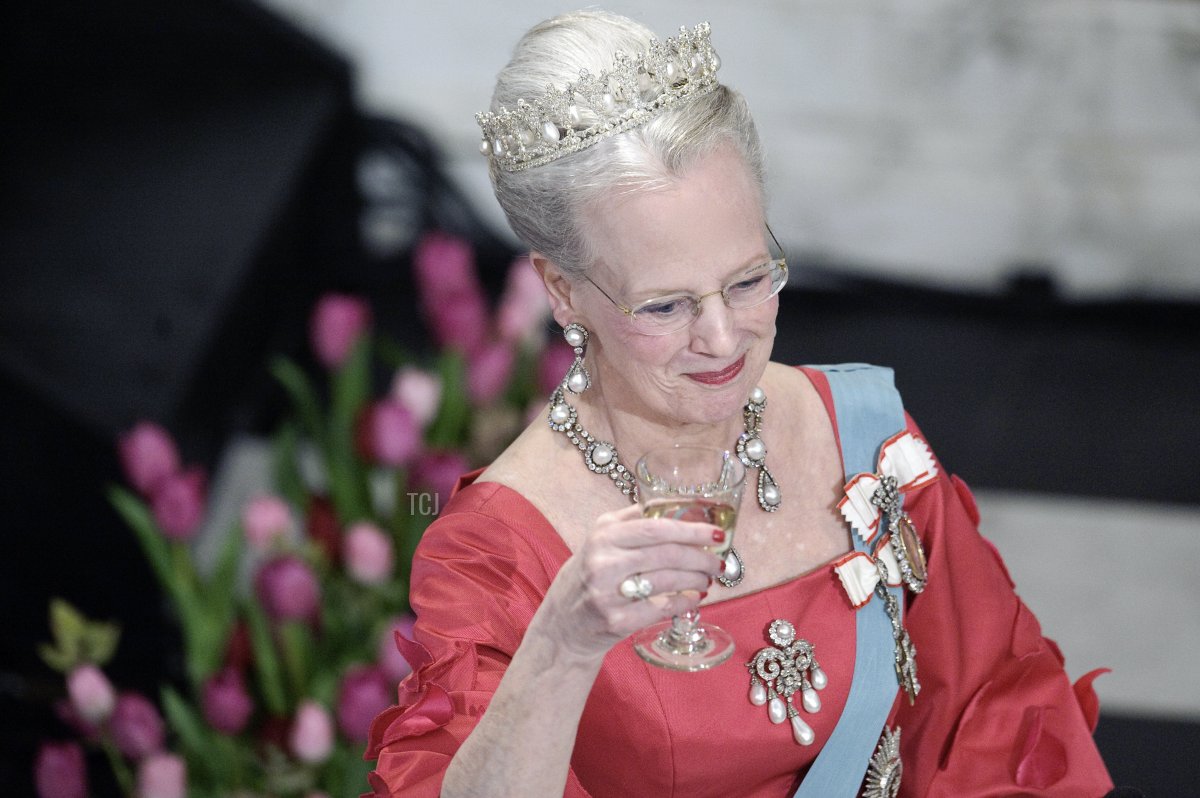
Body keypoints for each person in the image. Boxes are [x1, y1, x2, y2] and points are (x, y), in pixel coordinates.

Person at [366, 10, 1115, 797]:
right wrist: (562, 646)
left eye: (750, 280)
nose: (723, 340)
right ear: (563, 292)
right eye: (664, 307)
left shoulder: (867, 438)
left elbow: (993, 715)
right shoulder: (495, 552)